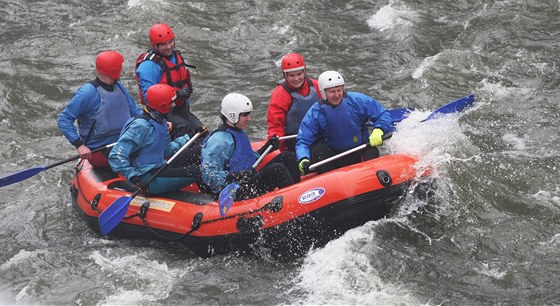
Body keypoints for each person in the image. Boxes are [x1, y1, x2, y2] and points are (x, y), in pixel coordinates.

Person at [201, 93, 300, 200]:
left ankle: (301, 195)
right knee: (277, 170)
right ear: (232, 115)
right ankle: (294, 202)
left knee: (288, 156)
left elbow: (247, 158)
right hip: (234, 190)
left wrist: (268, 147)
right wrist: (236, 175)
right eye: (245, 115)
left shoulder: (238, 131)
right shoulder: (219, 141)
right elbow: (209, 176)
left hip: (247, 180)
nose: (249, 118)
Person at [109, 84, 200, 195]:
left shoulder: (161, 122)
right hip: (147, 178)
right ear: (163, 106)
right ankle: (213, 198)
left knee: (199, 152)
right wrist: (133, 178)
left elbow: (166, 150)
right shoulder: (140, 127)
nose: (174, 105)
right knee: (197, 171)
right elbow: (116, 156)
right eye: (171, 103)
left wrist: (187, 138)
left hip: (159, 168)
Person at [295, 70, 392, 175]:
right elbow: (303, 141)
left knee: (372, 150)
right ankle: (332, 183)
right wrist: (303, 158)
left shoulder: (357, 100)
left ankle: (369, 177)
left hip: (359, 150)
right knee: (318, 151)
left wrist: (379, 129)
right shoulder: (315, 112)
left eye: (339, 90)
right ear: (323, 93)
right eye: (332, 92)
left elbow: (383, 114)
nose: (337, 95)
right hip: (333, 157)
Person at [57, 50, 143, 167]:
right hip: (100, 149)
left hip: (124, 141)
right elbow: (64, 119)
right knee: (140, 160)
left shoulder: (119, 87)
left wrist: (155, 120)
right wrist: (80, 146)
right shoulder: (87, 93)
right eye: (120, 67)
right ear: (114, 71)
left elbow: (136, 112)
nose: (122, 70)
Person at [135, 23, 204, 140]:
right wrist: (176, 94)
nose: (169, 47)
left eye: (170, 42)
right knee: (187, 130)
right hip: (161, 113)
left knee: (201, 130)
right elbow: (149, 98)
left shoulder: (175, 56)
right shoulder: (148, 66)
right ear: (155, 46)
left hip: (179, 109)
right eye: (163, 44)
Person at [266, 53, 322, 151]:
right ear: (285, 75)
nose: (296, 79)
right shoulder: (280, 94)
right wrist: (275, 141)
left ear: (304, 72)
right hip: (293, 140)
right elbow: (275, 125)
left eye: (299, 74)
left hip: (318, 135)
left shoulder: (316, 85)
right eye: (291, 75)